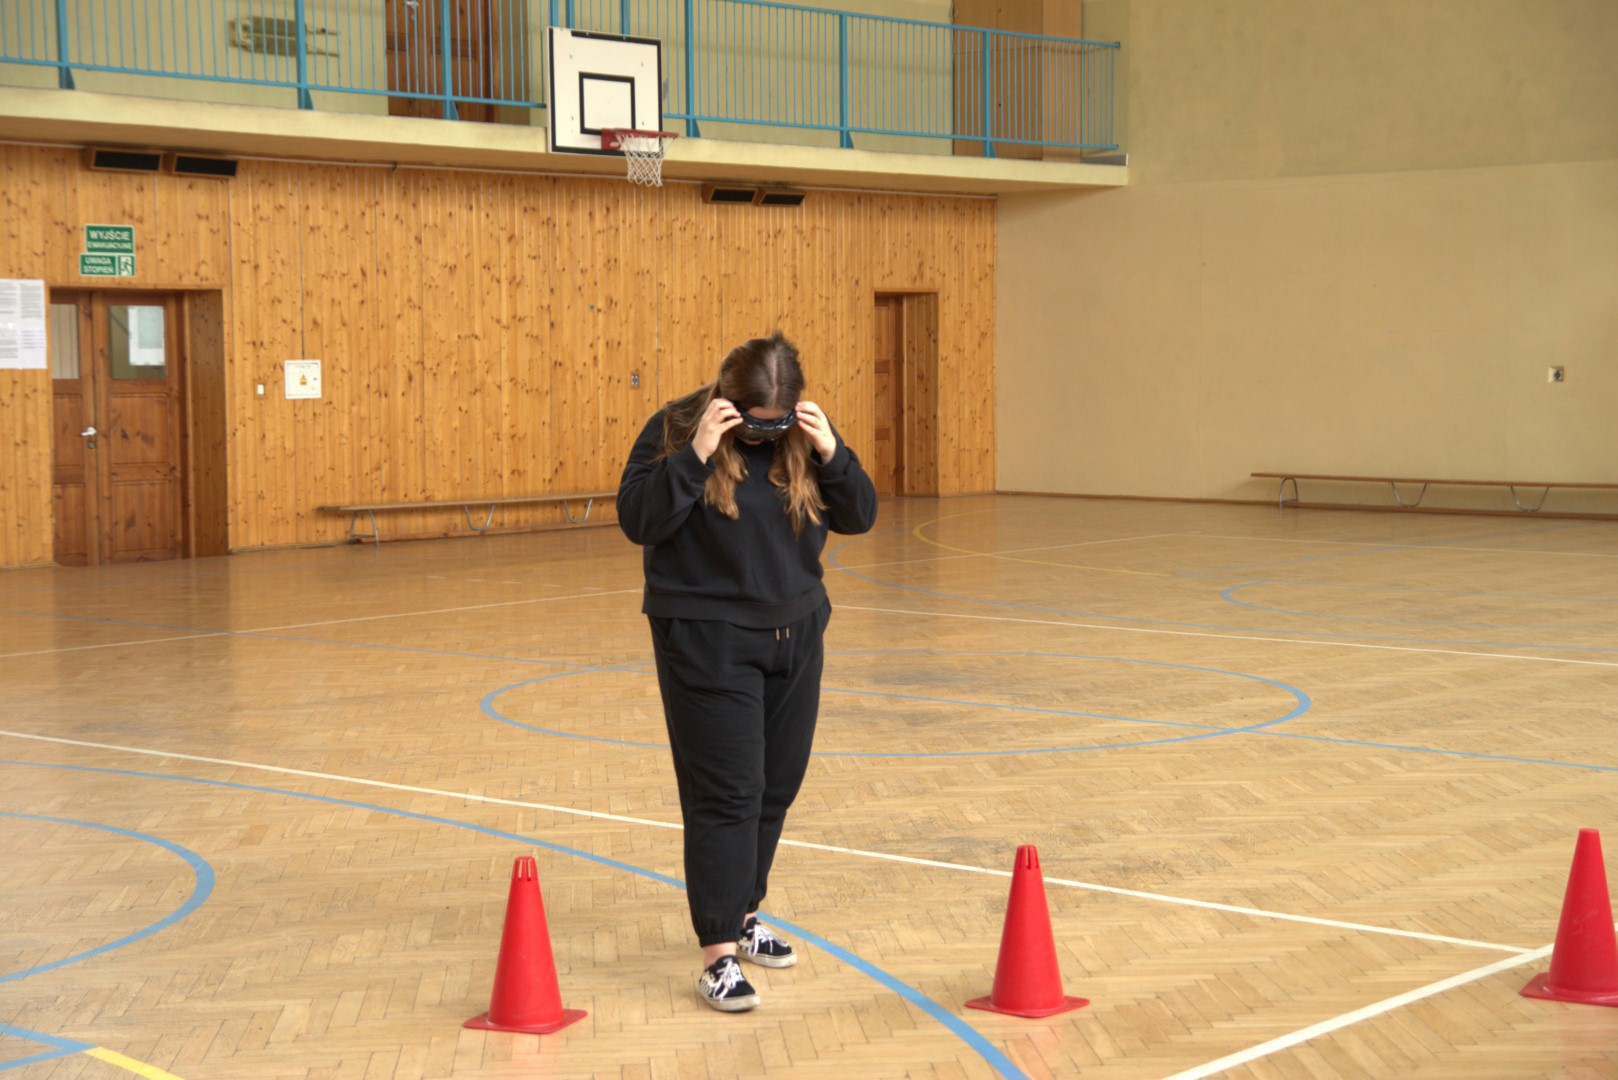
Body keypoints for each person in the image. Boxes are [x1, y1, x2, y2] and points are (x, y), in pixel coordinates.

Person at [616, 331, 879, 1012]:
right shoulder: (677, 428)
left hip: (796, 631)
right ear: (728, 399)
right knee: (727, 794)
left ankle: (744, 914)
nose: (766, 435)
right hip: (707, 638)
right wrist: (697, 455)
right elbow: (638, 520)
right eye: (754, 424)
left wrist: (832, 453)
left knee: (775, 787)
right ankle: (718, 954)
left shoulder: (805, 435)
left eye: (777, 423)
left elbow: (860, 516)